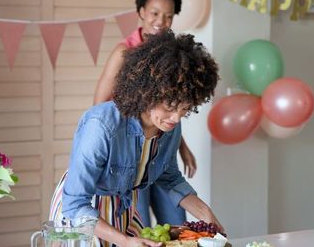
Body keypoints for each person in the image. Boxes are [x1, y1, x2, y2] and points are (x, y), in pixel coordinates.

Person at [58, 31, 222, 247]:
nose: (176, 118)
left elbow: (169, 178)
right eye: (170, 107)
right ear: (148, 92)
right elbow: (75, 203)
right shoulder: (101, 125)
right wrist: (125, 241)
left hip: (123, 209)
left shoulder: (170, 126)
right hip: (83, 217)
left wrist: (206, 214)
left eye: (185, 109)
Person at [93, 0, 196, 227]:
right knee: (140, 230)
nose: (161, 21)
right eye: (155, 13)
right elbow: (99, 106)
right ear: (141, 11)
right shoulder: (124, 53)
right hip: (129, 159)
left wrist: (183, 147)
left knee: (177, 226)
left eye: (169, 16)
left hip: (161, 158)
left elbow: (170, 111)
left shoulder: (172, 58)